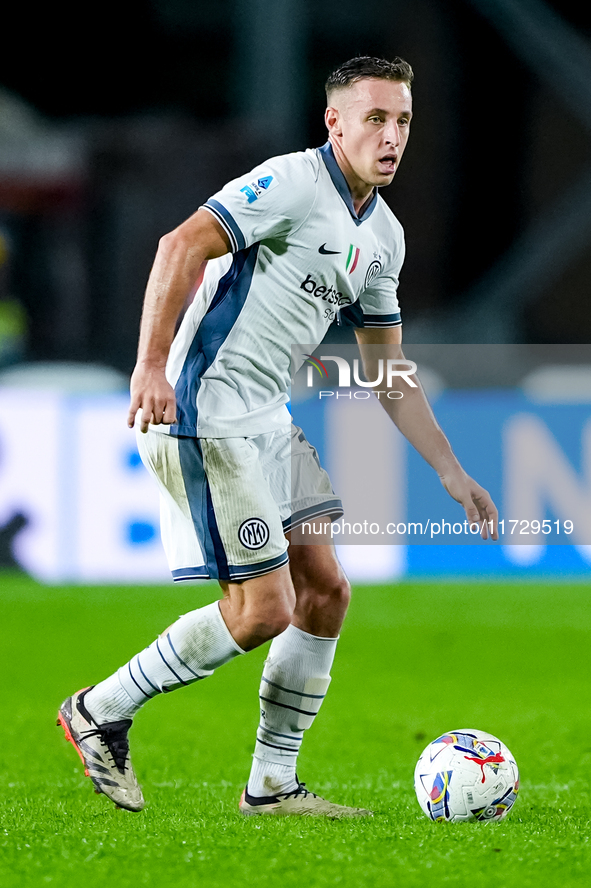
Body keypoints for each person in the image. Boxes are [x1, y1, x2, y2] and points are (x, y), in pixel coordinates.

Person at [57, 56, 498, 817]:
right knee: (262, 609)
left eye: (402, 122)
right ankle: (98, 709)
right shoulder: (291, 182)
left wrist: (451, 472)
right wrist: (150, 368)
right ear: (334, 123)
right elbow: (179, 246)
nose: (391, 137)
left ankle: (271, 787)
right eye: (374, 119)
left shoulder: (382, 238)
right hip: (206, 410)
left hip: (267, 418)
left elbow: (386, 371)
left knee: (325, 592)